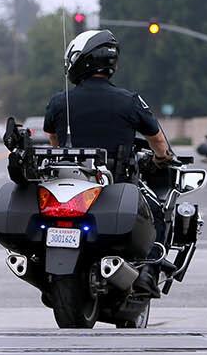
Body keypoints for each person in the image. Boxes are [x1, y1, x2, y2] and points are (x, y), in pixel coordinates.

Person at [41, 29, 175, 294]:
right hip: (118, 186)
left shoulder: (59, 101)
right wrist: (162, 160)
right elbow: (159, 142)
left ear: (78, 61)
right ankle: (148, 273)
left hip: (70, 188)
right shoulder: (130, 100)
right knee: (159, 211)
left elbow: (52, 138)